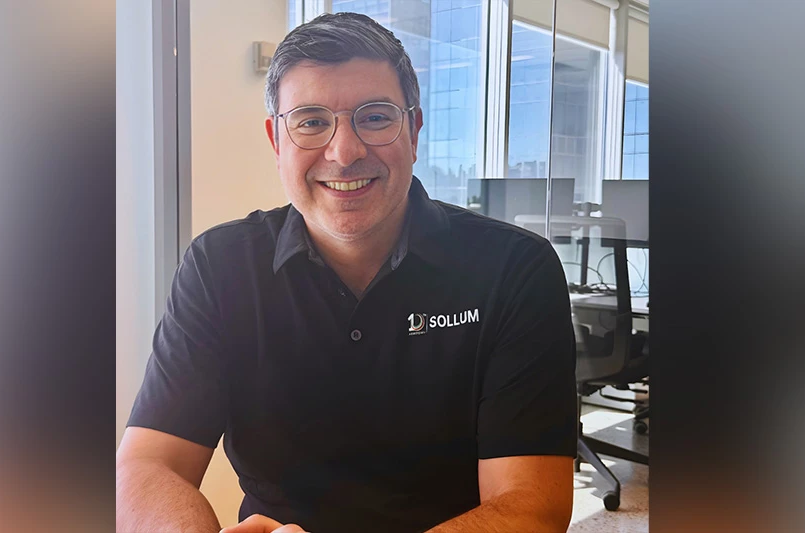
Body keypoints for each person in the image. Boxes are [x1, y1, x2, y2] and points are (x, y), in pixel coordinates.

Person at [116, 12, 576, 533]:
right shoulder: (219, 267)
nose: (345, 151)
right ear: (276, 140)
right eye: (311, 121)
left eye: (375, 117)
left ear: (415, 129)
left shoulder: (514, 270)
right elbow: (147, 464)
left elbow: (532, 505)